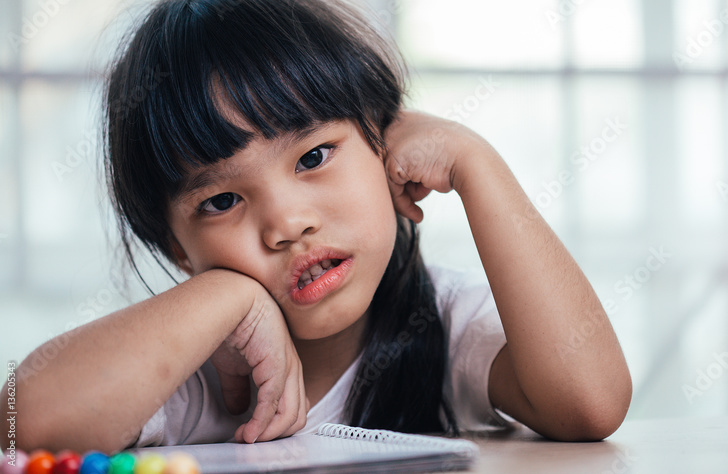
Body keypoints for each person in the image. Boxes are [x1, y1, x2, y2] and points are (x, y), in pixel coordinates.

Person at [17, 0, 631, 452]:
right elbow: (23, 422)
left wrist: (477, 164)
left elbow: (591, 402)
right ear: (179, 249)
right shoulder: (187, 371)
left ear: (386, 152)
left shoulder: (442, 325)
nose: (286, 224)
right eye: (223, 200)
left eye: (313, 157)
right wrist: (228, 294)